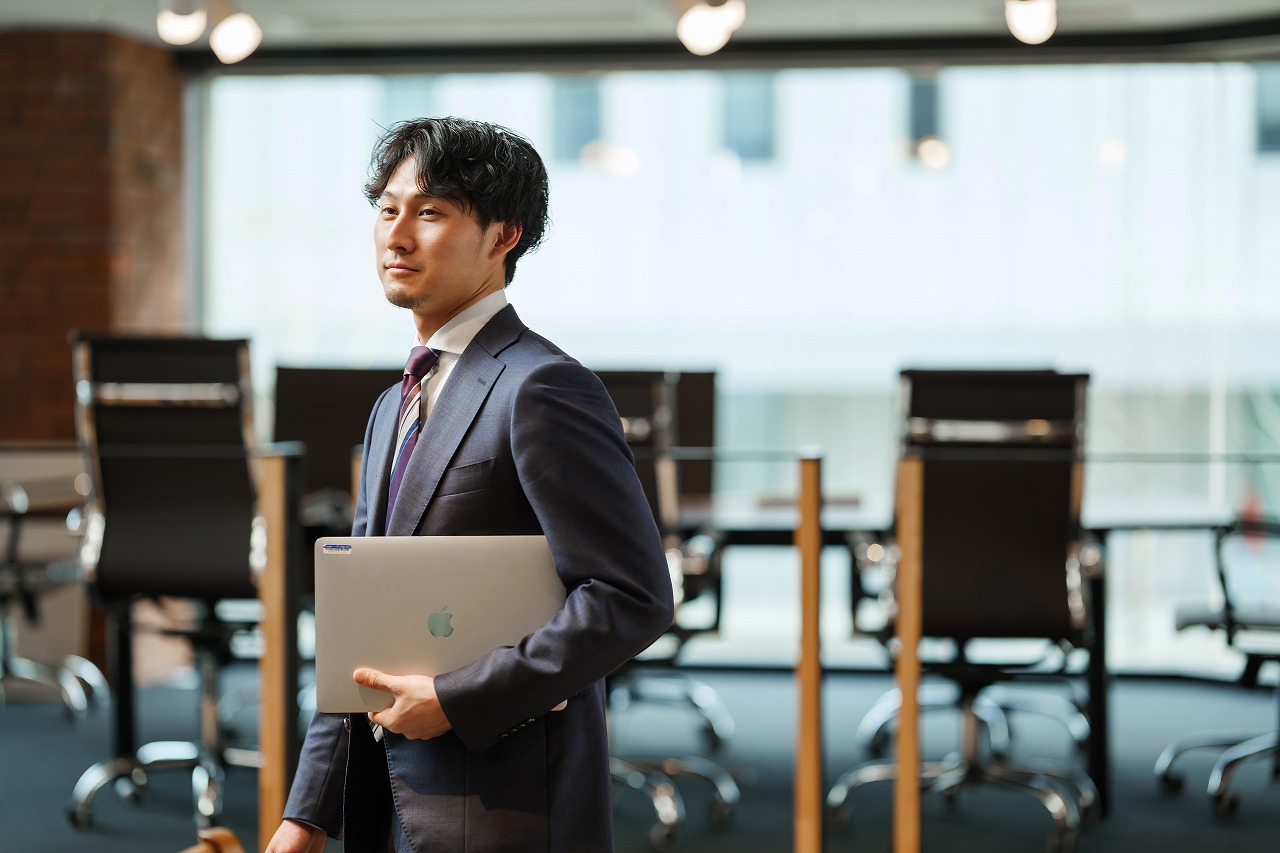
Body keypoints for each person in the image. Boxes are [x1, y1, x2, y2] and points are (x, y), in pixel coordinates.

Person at [264, 117, 674, 853]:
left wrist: (457, 698)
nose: (397, 235)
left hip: (504, 806)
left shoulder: (544, 386)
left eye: (430, 212)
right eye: (387, 209)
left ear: (504, 234)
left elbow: (631, 596)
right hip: (386, 801)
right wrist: (307, 812)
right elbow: (359, 626)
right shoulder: (393, 406)